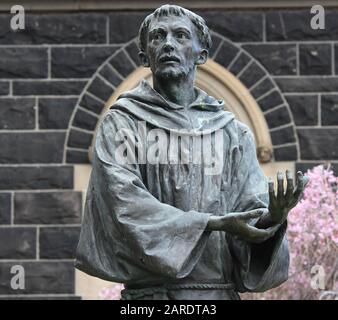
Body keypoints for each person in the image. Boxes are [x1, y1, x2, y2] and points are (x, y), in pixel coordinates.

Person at [75, 5, 308, 300]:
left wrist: (271, 219)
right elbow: (124, 204)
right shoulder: (123, 124)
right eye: (158, 37)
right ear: (145, 57)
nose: (168, 43)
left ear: (202, 54)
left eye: (181, 35)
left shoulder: (233, 134)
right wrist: (211, 223)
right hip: (152, 299)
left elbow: (250, 210)